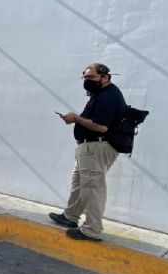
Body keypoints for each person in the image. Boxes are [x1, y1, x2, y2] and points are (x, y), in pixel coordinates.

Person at [49, 63, 127, 242]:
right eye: (84, 78)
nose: (87, 81)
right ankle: (70, 216)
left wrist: (76, 118)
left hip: (97, 147)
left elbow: (101, 126)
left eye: (91, 77)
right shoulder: (101, 94)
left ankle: (93, 230)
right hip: (89, 147)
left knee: (92, 188)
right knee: (79, 183)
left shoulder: (108, 96)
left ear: (105, 77)